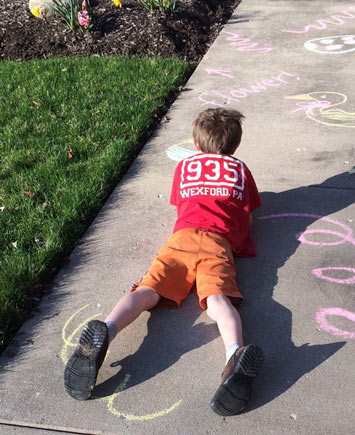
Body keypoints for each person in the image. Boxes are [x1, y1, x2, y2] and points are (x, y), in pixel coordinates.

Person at [64, 108, 264, 416]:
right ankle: (234, 353)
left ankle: (108, 327)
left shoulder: (186, 166)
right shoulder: (239, 169)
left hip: (181, 239)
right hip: (217, 243)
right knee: (217, 298)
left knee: (149, 289)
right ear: (235, 147)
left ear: (196, 145)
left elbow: (181, 204)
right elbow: (247, 212)